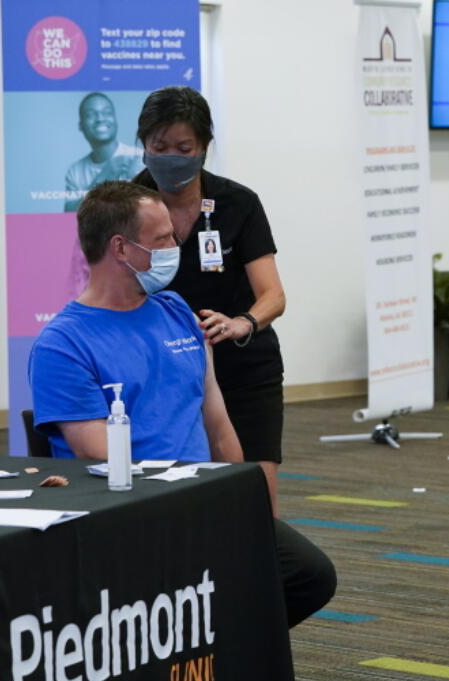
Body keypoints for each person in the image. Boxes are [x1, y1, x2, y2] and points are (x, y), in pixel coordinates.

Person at [28, 180, 336, 638]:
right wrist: (193, 509)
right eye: (163, 240)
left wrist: (241, 502)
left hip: (202, 503)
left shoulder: (176, 311)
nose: (177, 247)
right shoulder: (64, 344)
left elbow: (218, 425)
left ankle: (220, 654)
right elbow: (102, 456)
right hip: (137, 517)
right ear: (121, 248)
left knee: (309, 574)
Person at [132, 86, 289, 515]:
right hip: (164, 373)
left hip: (242, 368)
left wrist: (243, 323)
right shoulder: (128, 206)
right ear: (142, 145)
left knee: (255, 503)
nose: (170, 157)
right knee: (177, 504)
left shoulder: (238, 204)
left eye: (183, 148)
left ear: (204, 148)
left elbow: (273, 295)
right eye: (158, 146)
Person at [64, 92, 145, 212]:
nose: (100, 119)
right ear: (80, 126)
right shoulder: (75, 171)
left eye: (106, 113)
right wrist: (102, 179)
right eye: (90, 115)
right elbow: (69, 213)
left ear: (115, 120)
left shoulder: (140, 158)